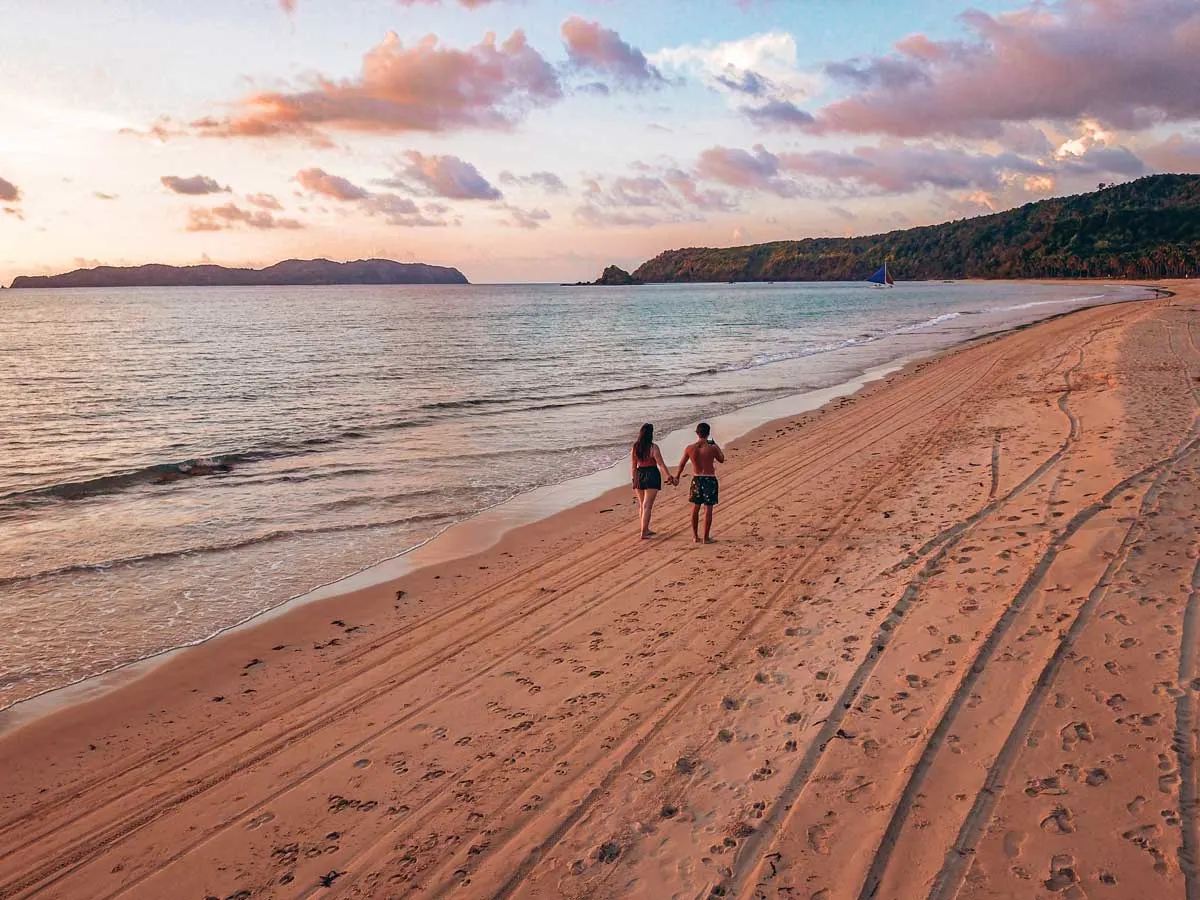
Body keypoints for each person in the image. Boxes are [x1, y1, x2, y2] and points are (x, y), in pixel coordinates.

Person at [674, 422, 724, 543]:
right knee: (708, 509)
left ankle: (695, 536)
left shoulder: (690, 448)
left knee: (696, 507)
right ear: (708, 433)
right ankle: (706, 537)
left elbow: (681, 464)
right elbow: (721, 459)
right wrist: (715, 445)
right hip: (709, 479)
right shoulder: (711, 448)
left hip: (697, 479)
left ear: (697, 433)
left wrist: (677, 477)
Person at [630, 423, 673, 539]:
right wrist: (668, 475)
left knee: (642, 505)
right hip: (651, 474)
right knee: (647, 506)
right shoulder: (653, 447)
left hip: (639, 474)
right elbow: (660, 463)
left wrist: (634, 479)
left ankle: (645, 529)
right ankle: (643, 532)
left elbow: (633, 466)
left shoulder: (635, 447)